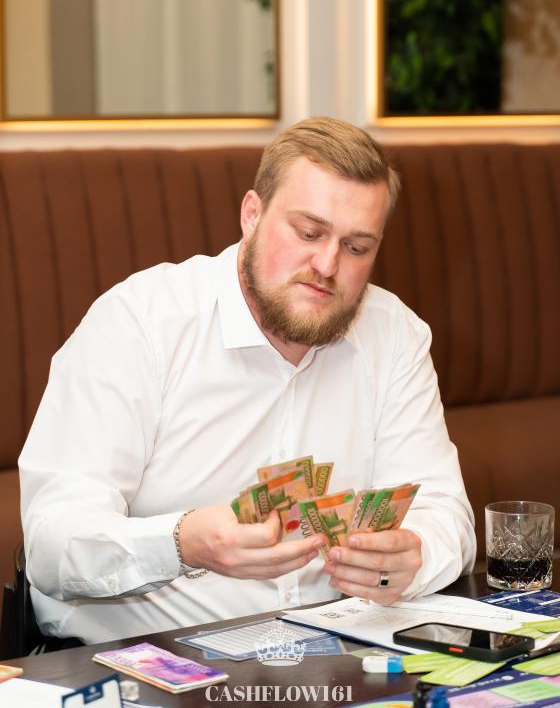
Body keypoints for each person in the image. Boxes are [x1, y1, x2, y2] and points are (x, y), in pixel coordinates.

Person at [19, 117, 475, 644]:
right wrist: (181, 542)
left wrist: (415, 554)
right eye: (309, 233)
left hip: (336, 653)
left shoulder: (394, 334)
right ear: (252, 214)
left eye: (356, 248)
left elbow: (444, 512)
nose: (327, 264)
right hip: (147, 659)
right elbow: (52, 544)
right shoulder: (140, 324)